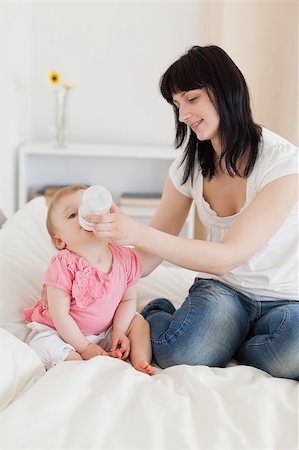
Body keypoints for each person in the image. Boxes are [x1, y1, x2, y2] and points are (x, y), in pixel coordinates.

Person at [86, 45, 299, 381]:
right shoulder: (189, 165)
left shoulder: (282, 163)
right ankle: (152, 316)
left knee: (292, 354)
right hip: (225, 291)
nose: (183, 114)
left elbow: (227, 256)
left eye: (191, 98)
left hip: (286, 297)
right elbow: (152, 249)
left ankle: (232, 343)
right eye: (177, 104)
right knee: (182, 351)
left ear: (226, 90)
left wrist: (135, 231)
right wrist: (94, 277)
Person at [24, 185, 155, 375]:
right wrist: (84, 348)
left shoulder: (124, 257)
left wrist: (119, 331)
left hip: (106, 329)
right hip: (63, 333)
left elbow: (128, 300)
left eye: (90, 209)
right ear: (60, 241)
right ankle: (80, 363)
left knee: (139, 323)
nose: (86, 217)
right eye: (72, 215)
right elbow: (60, 316)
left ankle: (139, 362)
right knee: (42, 345)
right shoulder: (63, 264)